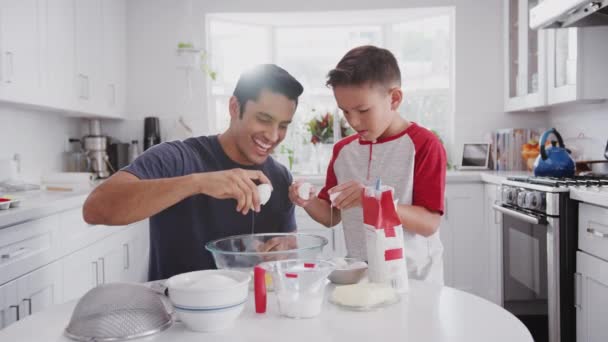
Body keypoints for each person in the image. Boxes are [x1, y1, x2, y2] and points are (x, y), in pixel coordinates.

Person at [83, 64, 304, 281]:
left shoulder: (280, 177)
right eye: (264, 120)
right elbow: (95, 208)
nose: (274, 136)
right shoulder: (178, 159)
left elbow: (288, 245)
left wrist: (284, 249)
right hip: (179, 313)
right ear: (235, 107)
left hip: (253, 312)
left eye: (283, 125)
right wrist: (198, 183)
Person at [289, 46, 447, 285]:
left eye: (363, 110)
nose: (353, 121)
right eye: (345, 111)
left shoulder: (424, 144)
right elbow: (331, 217)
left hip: (416, 279)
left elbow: (429, 224)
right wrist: (308, 201)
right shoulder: (343, 151)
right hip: (361, 278)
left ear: (394, 99)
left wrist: (372, 198)